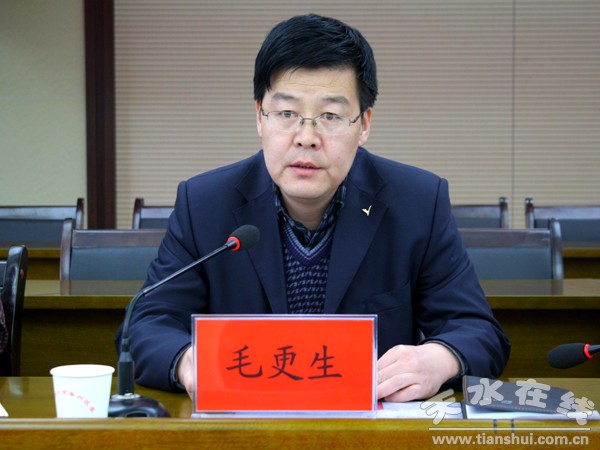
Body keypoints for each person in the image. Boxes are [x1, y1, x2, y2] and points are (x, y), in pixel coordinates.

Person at [117, 13, 510, 402]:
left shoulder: (417, 202)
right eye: (287, 114)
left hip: (369, 426)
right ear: (259, 117)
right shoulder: (205, 204)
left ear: (364, 124)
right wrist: (189, 362)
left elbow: (477, 329)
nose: (306, 137)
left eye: (330, 116)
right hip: (243, 424)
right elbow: (147, 324)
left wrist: (436, 360)